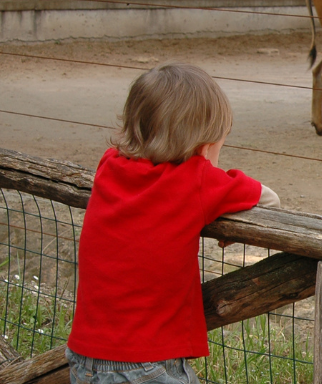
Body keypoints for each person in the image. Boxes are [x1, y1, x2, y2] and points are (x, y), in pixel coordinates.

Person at [66, 62, 279, 384]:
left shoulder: (109, 165)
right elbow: (269, 200)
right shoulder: (198, 180)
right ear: (202, 142)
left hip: (86, 356)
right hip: (144, 363)